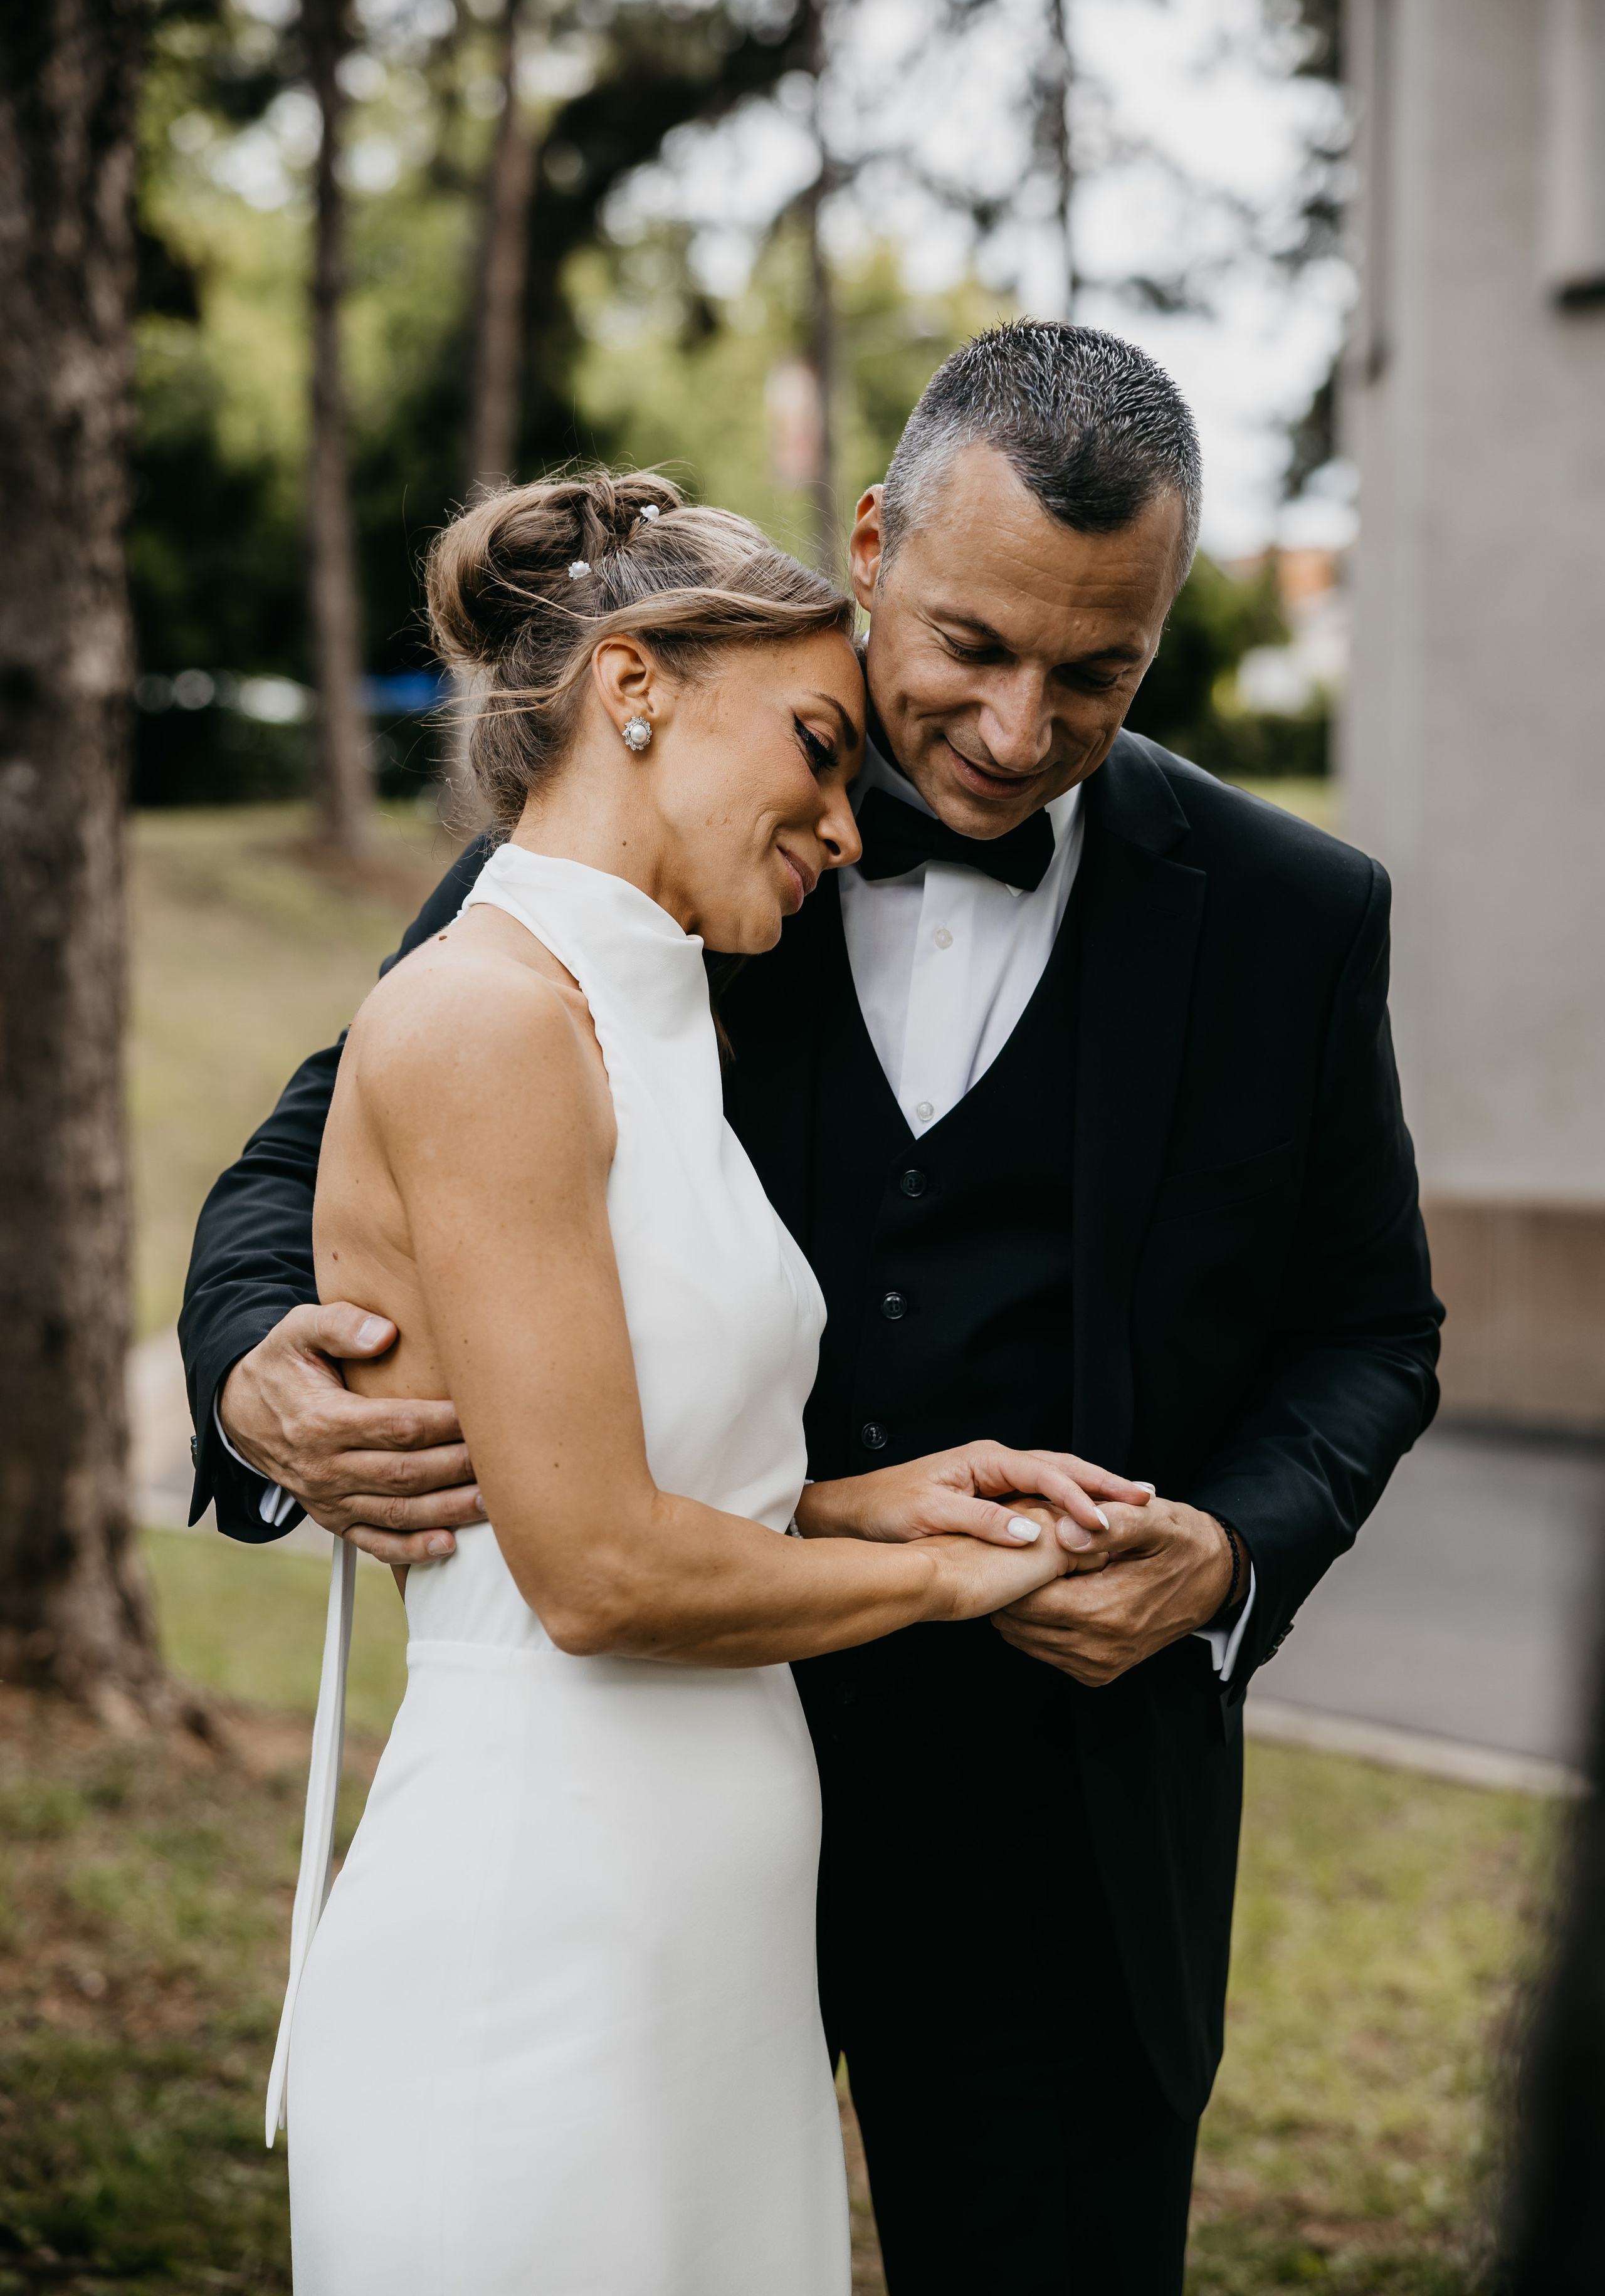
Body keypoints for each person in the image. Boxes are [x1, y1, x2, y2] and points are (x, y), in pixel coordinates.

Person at [181, 323, 1443, 2295]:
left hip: (1064, 1847)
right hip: (640, 1803)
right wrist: (260, 1378)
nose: (1019, 731)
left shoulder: (1294, 918)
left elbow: (1374, 1328)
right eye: (971, 646)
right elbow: (306, 1161)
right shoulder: (664, 779)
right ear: (873, 543)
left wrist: (1226, 1563)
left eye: (1096, 670)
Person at [258, 473, 1141, 2295]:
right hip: (538, 1964)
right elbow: (589, 1577)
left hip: (709, 1971)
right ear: (636, 685)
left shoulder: (656, 1024)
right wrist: (952, 1578)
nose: (844, 819)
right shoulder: (488, 1015)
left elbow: (607, 1475)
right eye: (821, 752)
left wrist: (861, 1499)